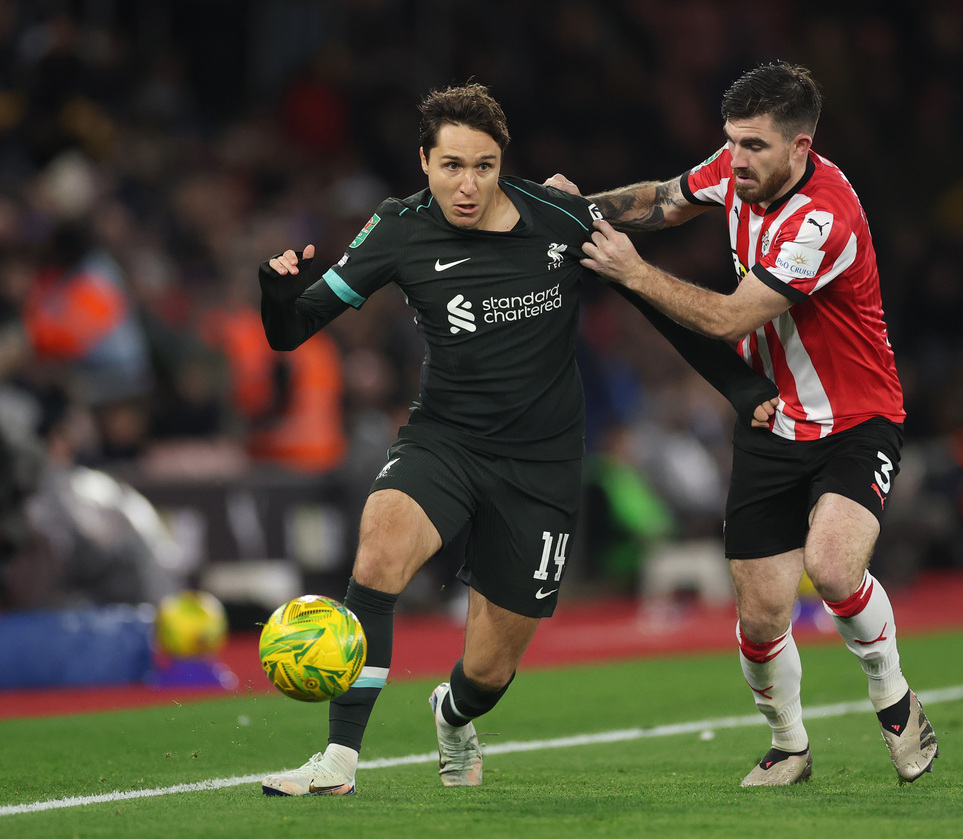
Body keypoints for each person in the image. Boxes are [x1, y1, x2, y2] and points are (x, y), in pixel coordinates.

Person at [257, 82, 777, 795]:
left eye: (483, 165)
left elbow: (651, 303)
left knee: (488, 673)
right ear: (423, 163)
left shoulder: (561, 221)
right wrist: (278, 297)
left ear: (505, 163)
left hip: (541, 466)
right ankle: (339, 761)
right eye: (450, 167)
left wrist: (744, 389)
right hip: (444, 441)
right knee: (379, 548)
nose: (466, 185)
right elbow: (292, 330)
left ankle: (455, 713)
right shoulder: (399, 228)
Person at [546, 61, 938, 785]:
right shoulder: (733, 171)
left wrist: (632, 272)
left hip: (856, 418)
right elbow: (664, 200)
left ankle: (895, 698)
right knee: (760, 617)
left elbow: (729, 316)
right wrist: (573, 208)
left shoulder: (823, 217)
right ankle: (789, 745)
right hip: (769, 419)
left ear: (800, 146)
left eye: (755, 145)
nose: (738, 159)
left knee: (832, 566)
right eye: (731, 141)